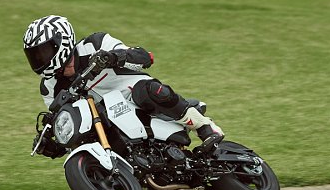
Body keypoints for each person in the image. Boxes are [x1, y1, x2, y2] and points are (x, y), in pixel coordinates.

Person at [22, 14, 224, 151]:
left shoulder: (94, 43)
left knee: (146, 91)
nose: (40, 59)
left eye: (44, 51)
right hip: (106, 120)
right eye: (35, 55)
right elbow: (67, 121)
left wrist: (111, 57)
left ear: (63, 42)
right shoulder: (48, 87)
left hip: (134, 96)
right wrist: (53, 145)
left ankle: (204, 127)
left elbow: (144, 57)